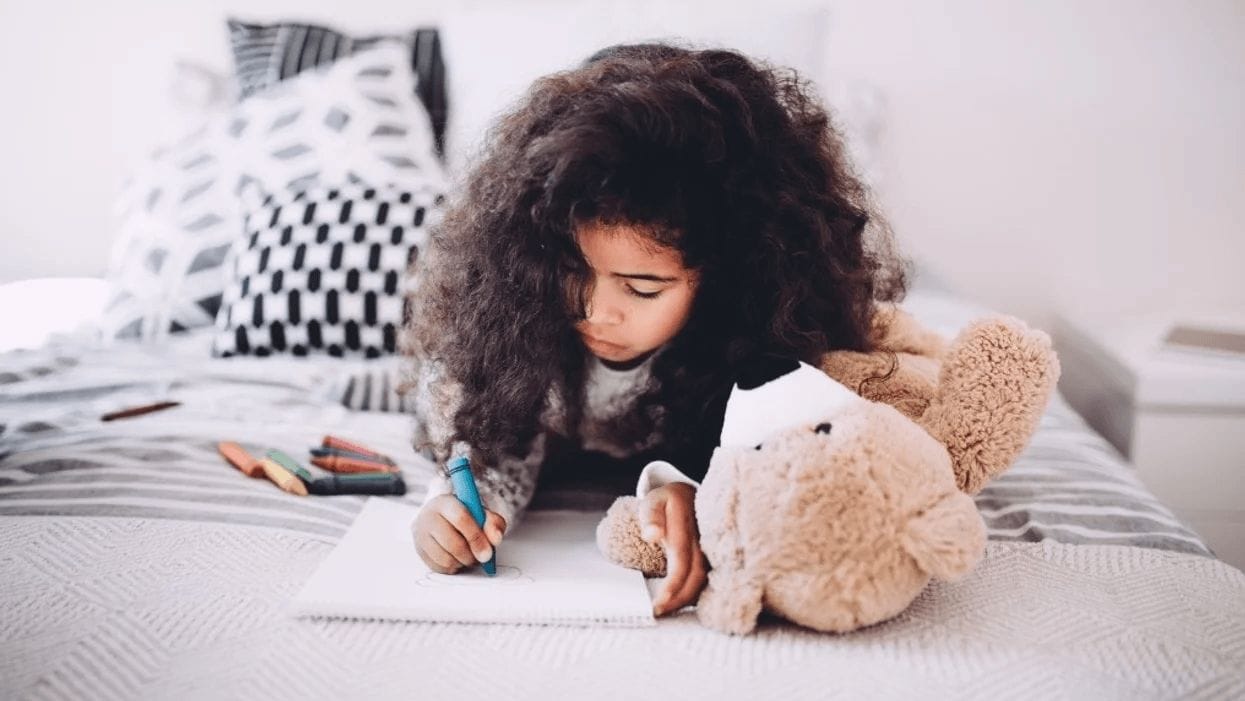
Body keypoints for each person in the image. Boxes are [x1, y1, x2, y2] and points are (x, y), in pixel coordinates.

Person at [403, 42, 907, 616]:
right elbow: (492, 439)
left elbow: (764, 449)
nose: (596, 312)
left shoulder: (758, 344)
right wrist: (452, 509)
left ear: (724, 279)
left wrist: (689, 487)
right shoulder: (524, 322)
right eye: (572, 272)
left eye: (642, 289)